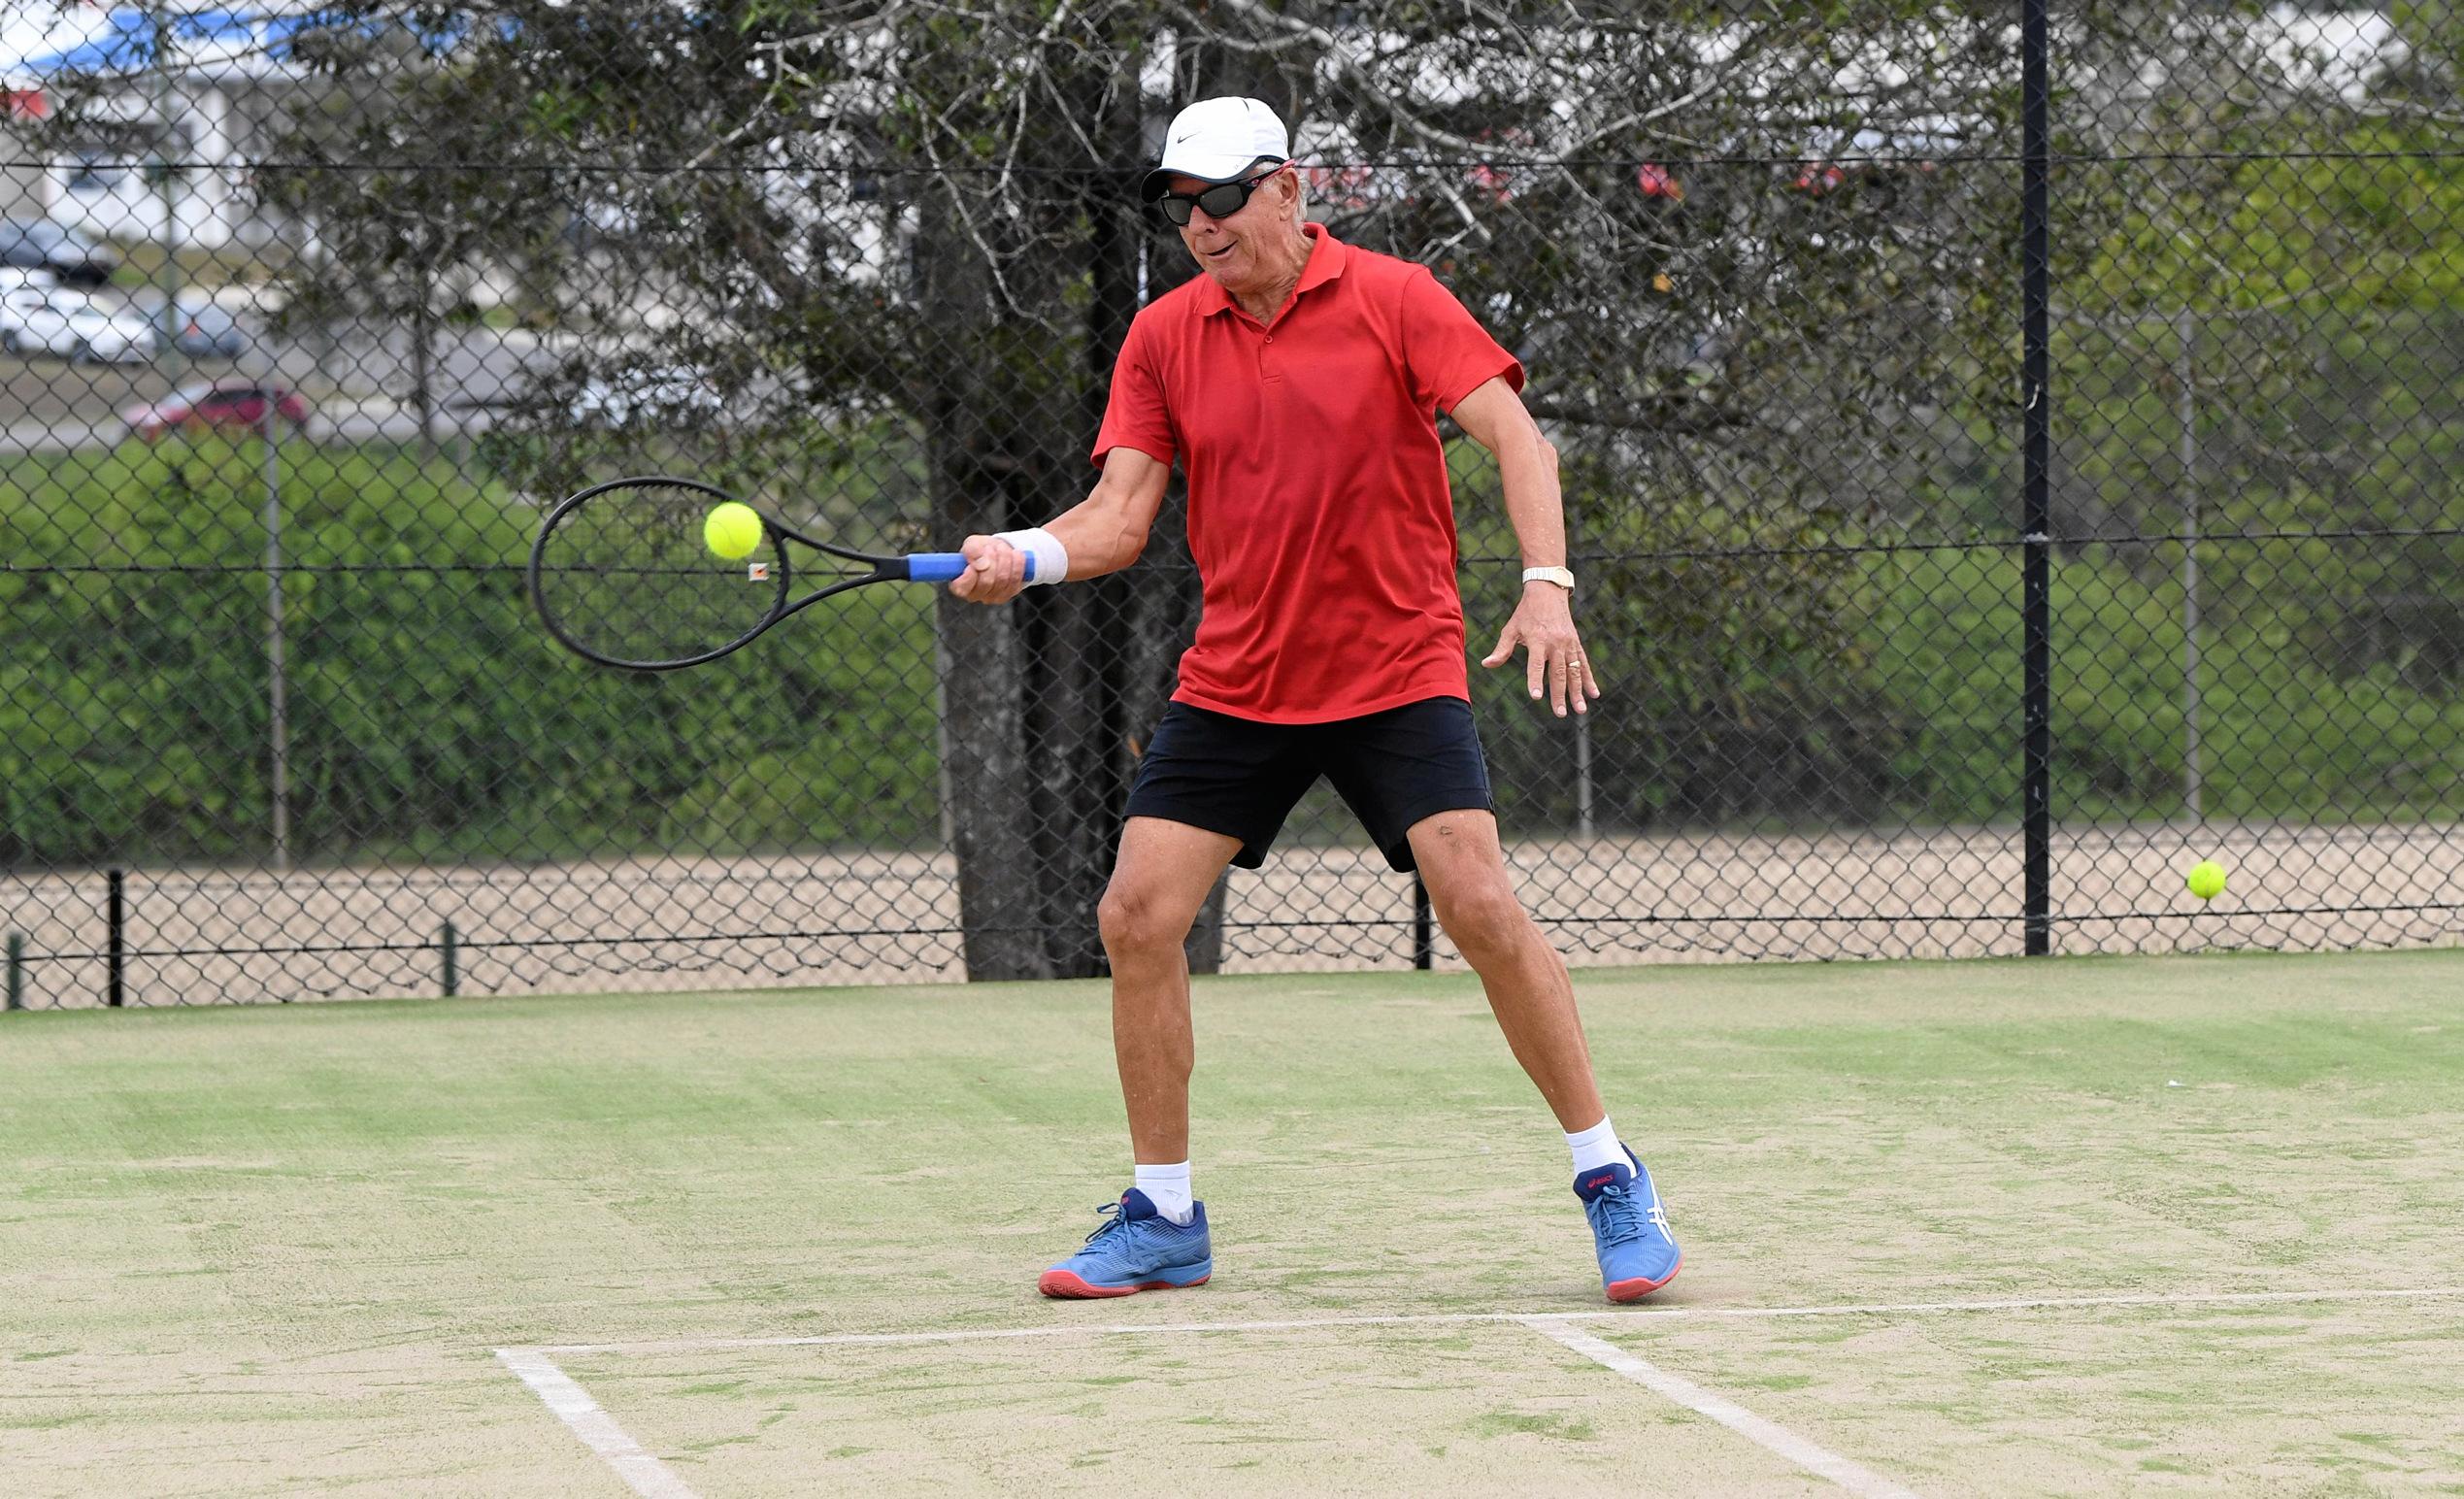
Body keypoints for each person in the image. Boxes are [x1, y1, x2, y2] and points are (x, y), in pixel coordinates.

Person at [947, 96, 1680, 1304]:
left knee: (1481, 900)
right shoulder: (1164, 337)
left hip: (1396, 668)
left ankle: (1610, 1177)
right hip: (1240, 680)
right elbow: (1121, 521)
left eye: (1222, 198)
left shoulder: (1398, 298)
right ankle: (1164, 1213)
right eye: (1180, 205)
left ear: (1290, 188)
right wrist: (1023, 555)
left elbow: (1517, 439)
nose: (1200, 224)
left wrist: (1545, 587)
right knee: (1135, 915)